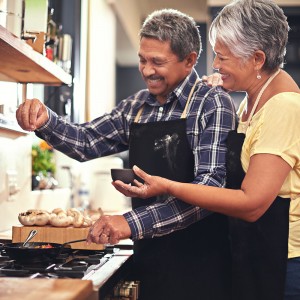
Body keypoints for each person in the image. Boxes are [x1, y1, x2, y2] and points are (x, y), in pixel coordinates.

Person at [16, 9, 236, 300]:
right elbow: (86, 141)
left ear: (190, 60)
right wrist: (45, 120)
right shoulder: (136, 107)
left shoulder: (212, 103)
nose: (146, 70)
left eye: (157, 61)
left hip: (201, 264)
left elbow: (210, 189)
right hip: (149, 258)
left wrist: (131, 223)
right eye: (142, 59)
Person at [111, 1, 300, 300]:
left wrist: (168, 186)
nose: (214, 65)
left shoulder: (284, 107)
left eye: (222, 57)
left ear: (257, 59)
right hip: (254, 253)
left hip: (284, 264)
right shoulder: (249, 102)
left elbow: (252, 203)